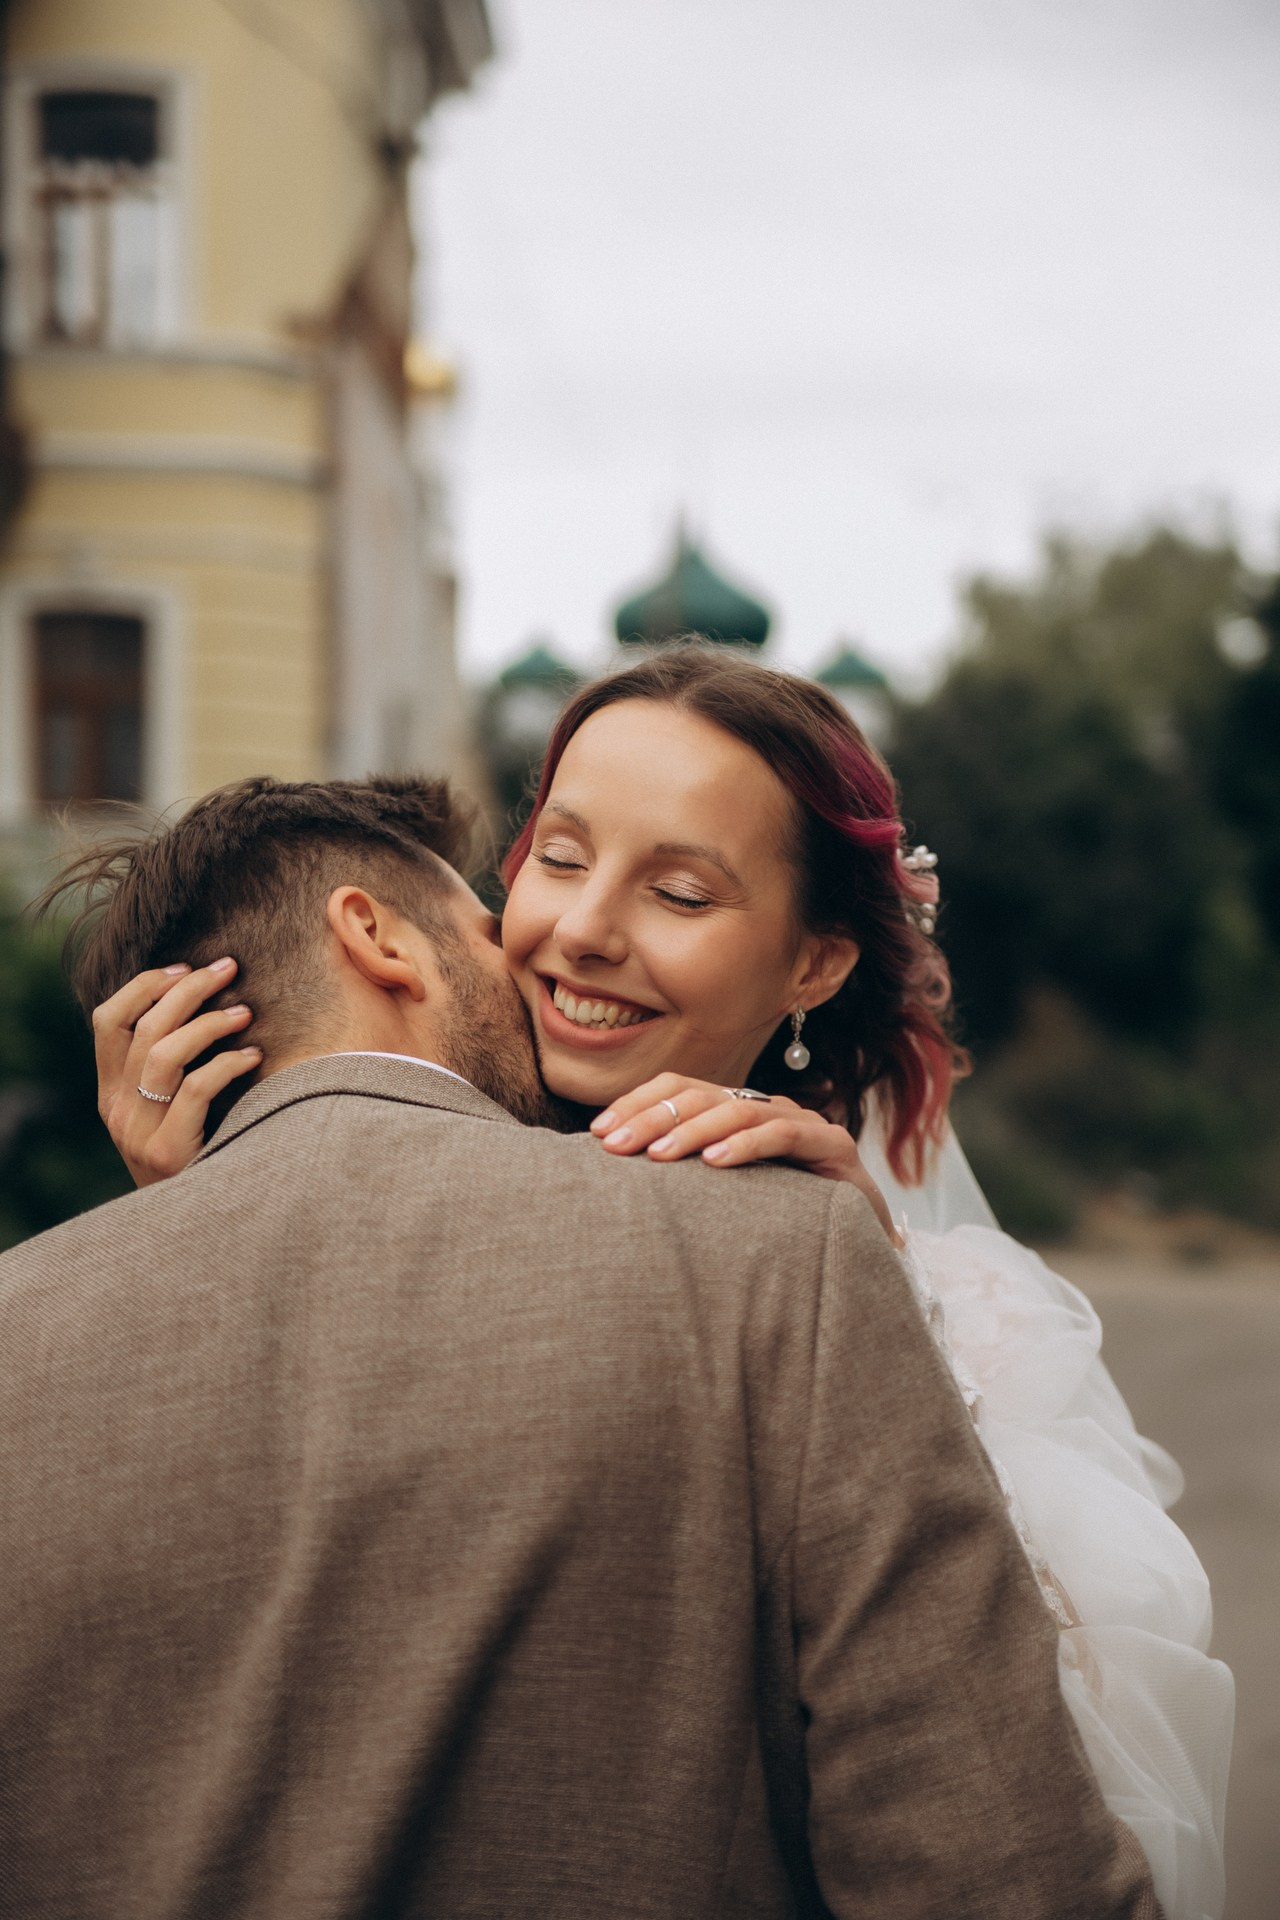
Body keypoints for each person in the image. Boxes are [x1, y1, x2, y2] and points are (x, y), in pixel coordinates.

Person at [92, 653, 1230, 1918]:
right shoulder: (344, 1156)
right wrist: (214, 1201)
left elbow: (1005, 1779)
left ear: (812, 968)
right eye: (561, 856)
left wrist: (876, 1327)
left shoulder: (902, 1286)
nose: (582, 929)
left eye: (680, 890)